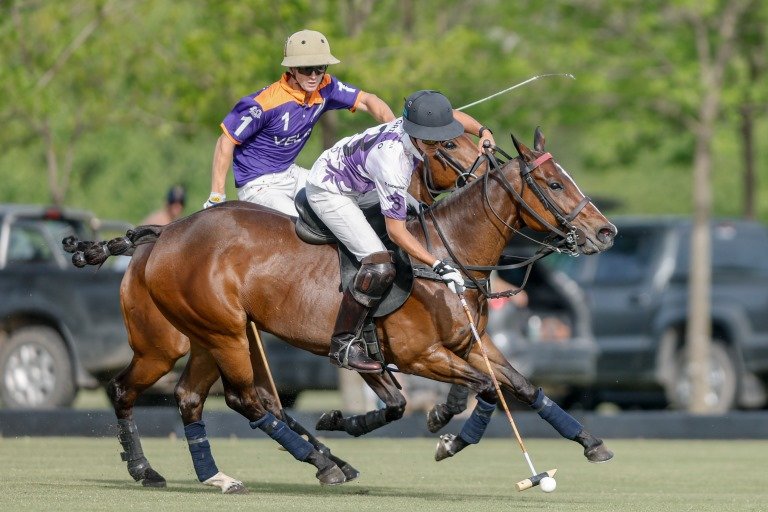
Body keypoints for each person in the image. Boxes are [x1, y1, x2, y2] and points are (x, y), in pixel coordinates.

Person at [306, 90, 496, 372]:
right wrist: (439, 265)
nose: (439, 146)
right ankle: (344, 342)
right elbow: (396, 232)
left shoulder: (419, 125)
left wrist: (484, 131)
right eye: (433, 142)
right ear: (417, 135)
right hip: (330, 189)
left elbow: (453, 116)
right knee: (379, 263)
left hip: (360, 178)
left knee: (420, 215)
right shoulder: (394, 163)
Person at [204, 29, 396, 216]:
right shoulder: (263, 103)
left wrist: (395, 130)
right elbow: (226, 141)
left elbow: (368, 100)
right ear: (292, 69)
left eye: (320, 68)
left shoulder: (327, 86)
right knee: (299, 223)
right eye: (306, 69)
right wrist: (217, 194)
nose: (314, 76)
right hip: (257, 184)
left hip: (290, 173)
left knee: (342, 202)